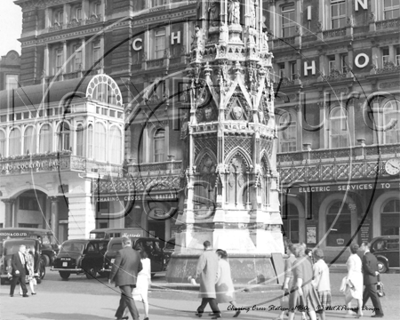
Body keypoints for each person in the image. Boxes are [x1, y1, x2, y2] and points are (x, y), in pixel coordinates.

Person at [109, 237, 143, 320]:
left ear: (123, 243)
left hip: (123, 280)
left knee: (128, 299)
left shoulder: (120, 252)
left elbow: (115, 266)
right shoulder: (137, 253)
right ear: (130, 243)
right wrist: (133, 273)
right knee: (125, 298)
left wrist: (111, 277)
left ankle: (136, 317)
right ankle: (119, 316)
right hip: (132, 279)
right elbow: (140, 267)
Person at [288, 244, 320, 320]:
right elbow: (311, 274)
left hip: (299, 286)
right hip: (309, 286)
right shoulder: (308, 261)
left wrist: (298, 287)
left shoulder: (296, 262)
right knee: (310, 306)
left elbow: (299, 275)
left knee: (292, 306)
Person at [193, 241, 221, 318]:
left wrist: (194, 276)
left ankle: (217, 312)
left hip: (206, 277)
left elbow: (199, 267)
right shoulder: (215, 255)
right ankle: (200, 310)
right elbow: (217, 267)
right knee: (207, 294)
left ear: (204, 246)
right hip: (213, 278)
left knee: (209, 295)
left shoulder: (204, 255)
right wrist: (216, 277)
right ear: (210, 246)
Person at [123, 249, 151, 320]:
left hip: (137, 279)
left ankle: (125, 314)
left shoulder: (136, 260)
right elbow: (149, 271)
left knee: (131, 298)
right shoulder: (148, 260)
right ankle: (146, 315)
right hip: (145, 280)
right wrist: (149, 281)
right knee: (145, 299)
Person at [360, 241, 384, 318]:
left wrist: (373, 273)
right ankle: (359, 308)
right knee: (365, 295)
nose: (361, 247)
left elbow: (367, 267)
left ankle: (379, 312)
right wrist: (378, 279)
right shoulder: (373, 256)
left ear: (366, 246)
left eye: (362, 245)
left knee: (374, 297)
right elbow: (377, 268)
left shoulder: (365, 256)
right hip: (373, 279)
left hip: (369, 279)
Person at [215, 249, 240, 318]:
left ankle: (216, 311)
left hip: (220, 283)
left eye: (215, 255)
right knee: (230, 298)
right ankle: (237, 309)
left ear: (219, 256)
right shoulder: (226, 262)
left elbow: (218, 274)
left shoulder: (218, 263)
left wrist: (214, 281)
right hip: (227, 282)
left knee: (214, 297)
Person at [276, 241, 296, 320]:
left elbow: (288, 272)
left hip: (289, 281)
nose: (286, 251)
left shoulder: (288, 260)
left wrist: (286, 283)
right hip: (295, 281)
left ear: (290, 250)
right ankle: (288, 315)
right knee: (292, 299)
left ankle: (282, 315)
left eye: (287, 249)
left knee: (284, 299)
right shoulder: (296, 259)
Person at [342, 243, 363, 318]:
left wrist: (348, 279)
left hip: (353, 277)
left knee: (348, 294)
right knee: (359, 295)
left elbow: (350, 270)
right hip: (359, 277)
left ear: (350, 249)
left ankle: (348, 311)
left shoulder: (351, 258)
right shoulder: (358, 257)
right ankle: (360, 310)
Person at [312, 249, 331, 320]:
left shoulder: (316, 265)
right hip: (326, 288)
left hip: (319, 289)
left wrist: (311, 285)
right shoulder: (325, 265)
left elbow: (315, 278)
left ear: (315, 256)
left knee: (315, 309)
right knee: (322, 310)